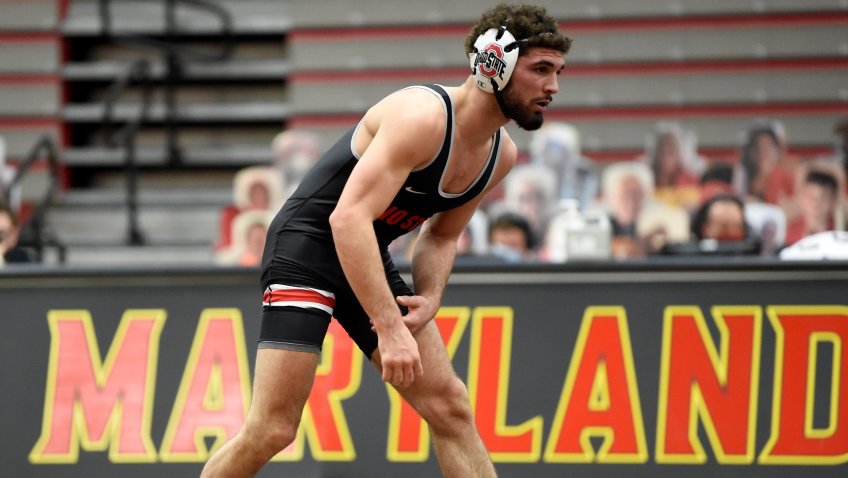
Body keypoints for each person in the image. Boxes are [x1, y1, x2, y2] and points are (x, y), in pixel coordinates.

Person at [200, 4, 571, 477]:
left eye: (558, 72)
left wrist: (431, 296)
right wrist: (390, 327)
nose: (553, 87)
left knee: (450, 407)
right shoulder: (422, 118)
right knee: (274, 427)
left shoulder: (500, 155)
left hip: (362, 256)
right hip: (307, 248)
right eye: (540, 69)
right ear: (492, 65)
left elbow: (440, 235)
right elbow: (347, 218)